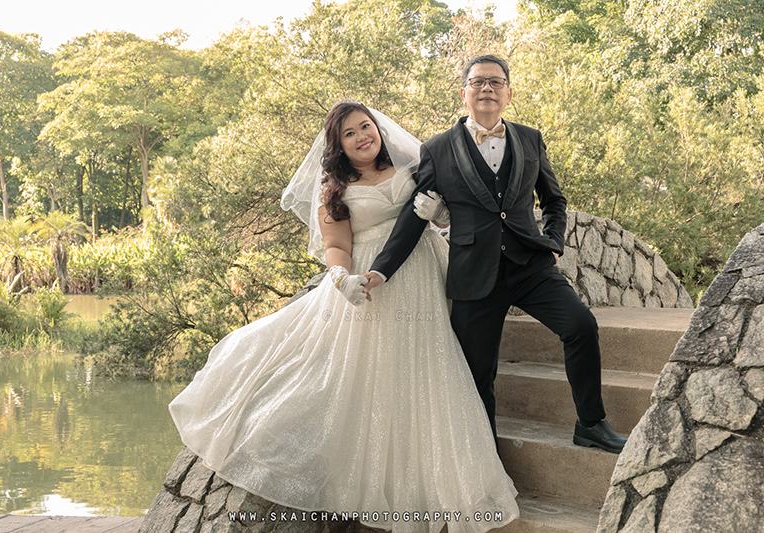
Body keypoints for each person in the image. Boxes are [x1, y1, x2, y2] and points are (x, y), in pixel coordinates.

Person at [169, 100, 519, 532]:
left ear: (379, 129)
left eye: (365, 126)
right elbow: (337, 247)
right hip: (370, 281)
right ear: (338, 145)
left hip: (424, 274)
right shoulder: (333, 189)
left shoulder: (413, 166)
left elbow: (453, 215)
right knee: (369, 374)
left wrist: (442, 217)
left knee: (428, 367)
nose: (361, 136)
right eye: (349, 133)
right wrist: (340, 278)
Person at [363, 56, 628, 454]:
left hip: (531, 266)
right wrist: (381, 271)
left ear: (507, 92)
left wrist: (554, 243)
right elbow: (414, 217)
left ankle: (590, 423)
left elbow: (554, 202)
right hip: (474, 275)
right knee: (477, 373)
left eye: (495, 82)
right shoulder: (436, 149)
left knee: (581, 325)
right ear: (464, 92)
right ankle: (484, 458)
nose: (487, 88)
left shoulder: (530, 138)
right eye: (478, 82)